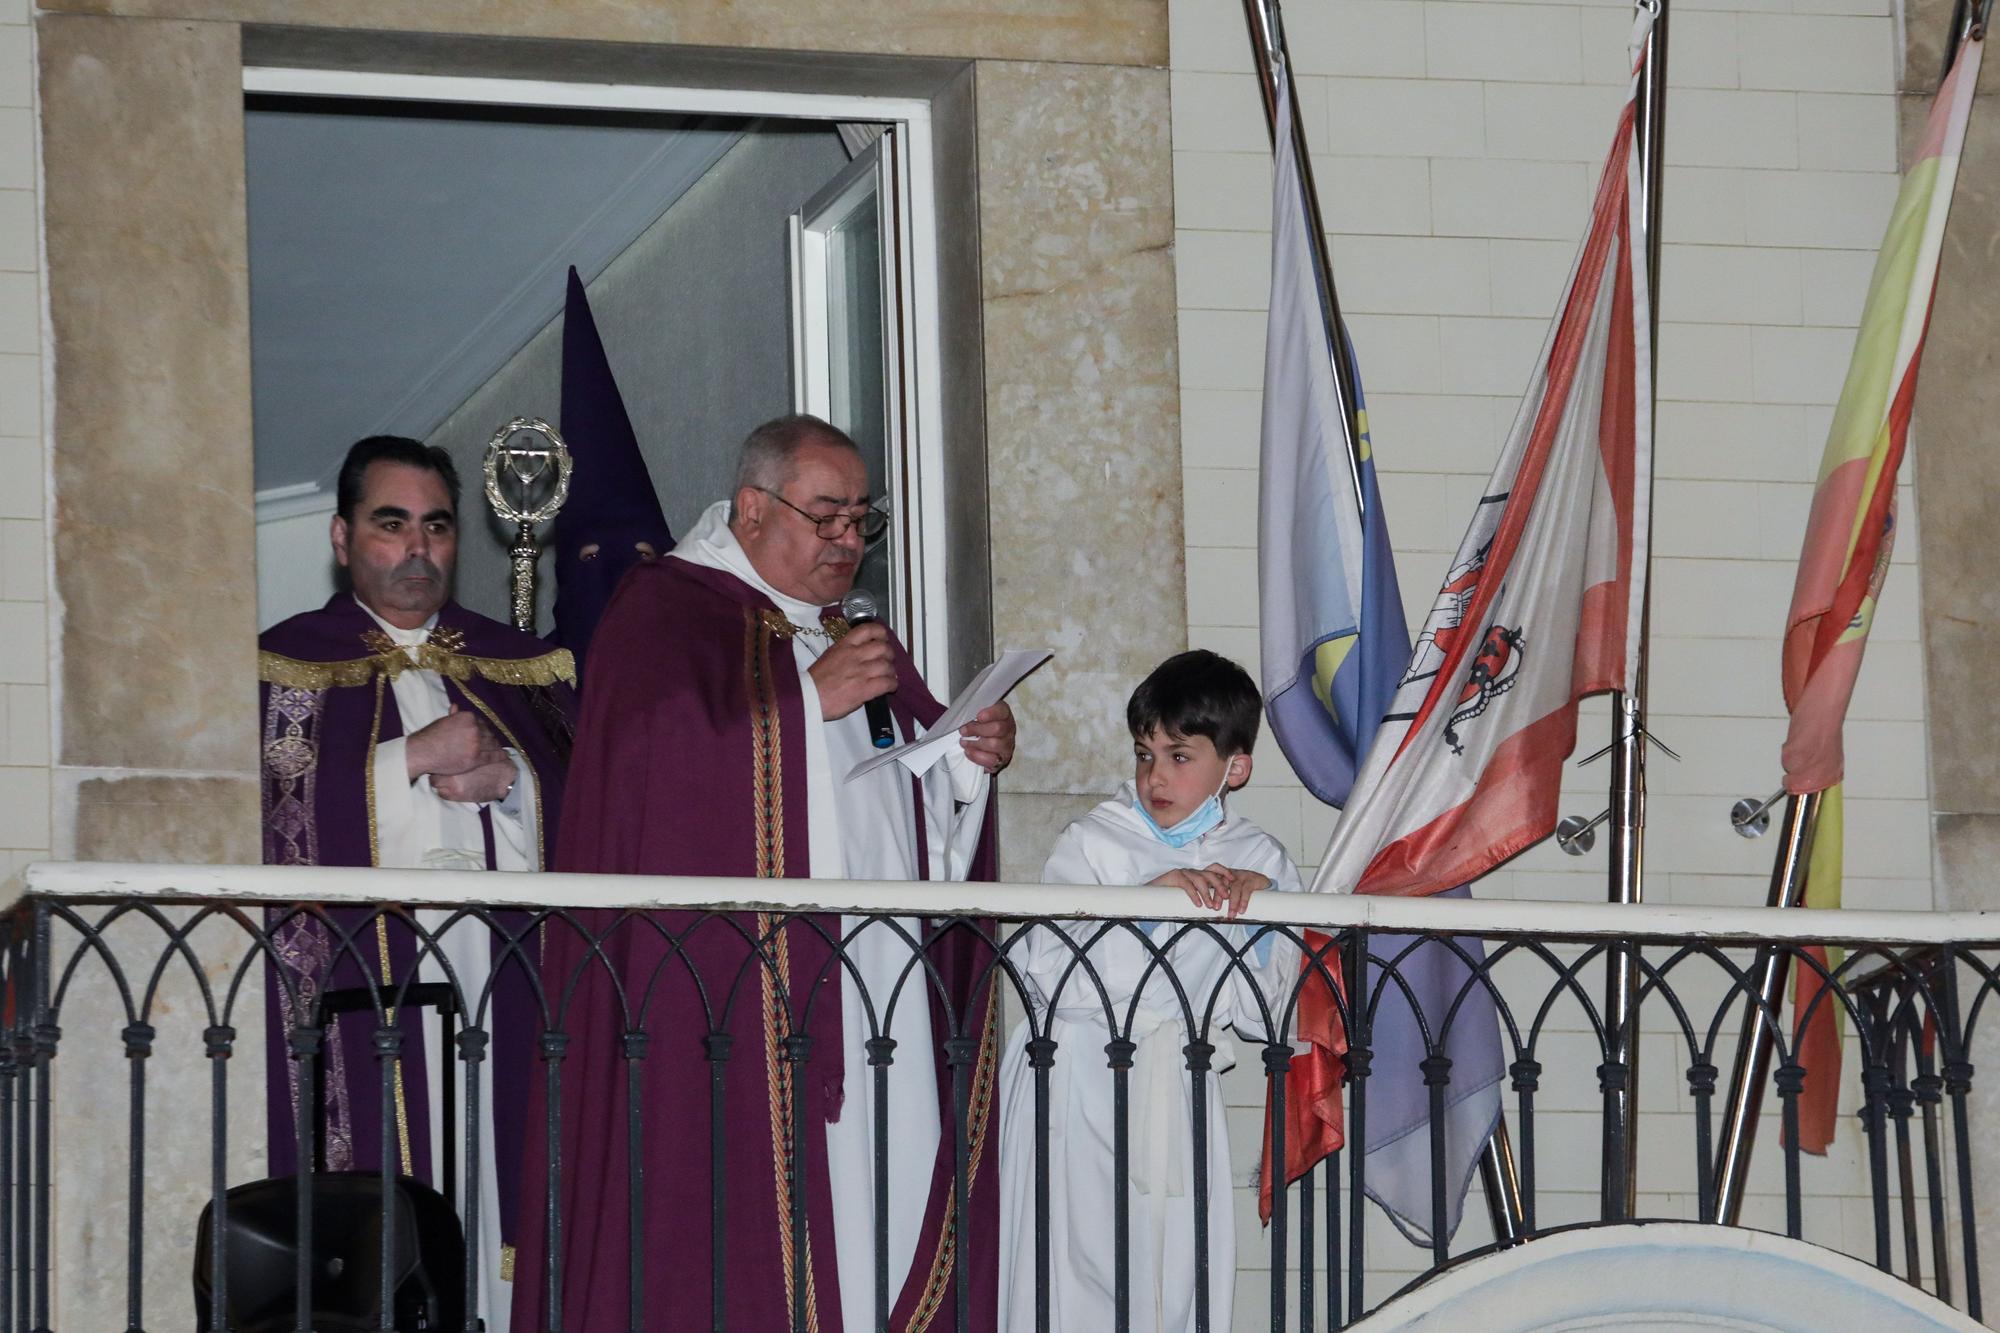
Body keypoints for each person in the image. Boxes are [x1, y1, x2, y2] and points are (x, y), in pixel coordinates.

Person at [517, 413, 1016, 1333]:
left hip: (881, 990)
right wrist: (800, 700)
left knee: (883, 1218)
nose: (847, 541)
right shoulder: (662, 610)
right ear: (752, 508)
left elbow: (897, 797)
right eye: (826, 514)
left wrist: (961, 760)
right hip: (731, 1003)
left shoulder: (852, 632)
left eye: (862, 519)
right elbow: (643, 782)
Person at [259, 435, 576, 1332]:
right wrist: (407, 759)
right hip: (367, 981)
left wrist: (512, 780)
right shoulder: (281, 670)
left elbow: (592, 810)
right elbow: (267, 813)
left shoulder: (526, 672)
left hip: (499, 969)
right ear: (340, 535)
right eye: (391, 524)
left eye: (436, 526)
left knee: (495, 1173)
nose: (417, 549)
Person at [995, 650, 1301, 1333]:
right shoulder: (1095, 842)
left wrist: (1266, 918)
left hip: (1178, 1084)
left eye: (1179, 756)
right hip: (1077, 1083)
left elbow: (1269, 1014)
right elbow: (1045, 973)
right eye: (1143, 754)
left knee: (1173, 1271)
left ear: (1236, 766)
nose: (1154, 776)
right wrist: (1142, 901)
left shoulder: (1262, 858)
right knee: (1073, 1272)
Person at [546, 266, 673, 677]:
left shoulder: (710, 673)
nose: (619, 574)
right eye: (592, 557)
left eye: (642, 556)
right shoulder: (537, 691)